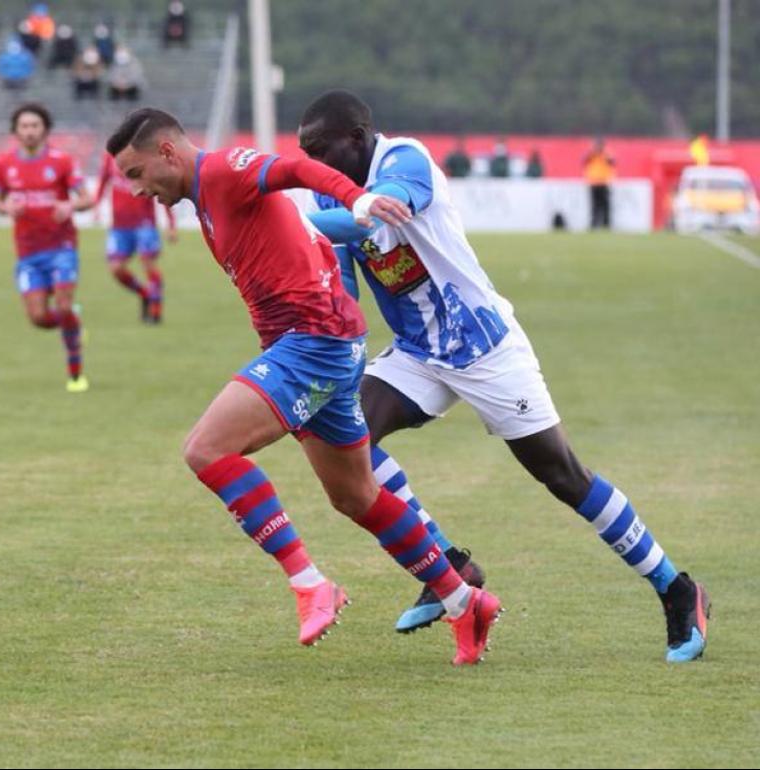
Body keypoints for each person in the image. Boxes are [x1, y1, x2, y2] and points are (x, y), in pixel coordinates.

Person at [296, 90, 709, 662]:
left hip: (484, 348)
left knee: (563, 475)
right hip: (419, 353)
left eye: (320, 151)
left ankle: (678, 589)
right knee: (346, 435)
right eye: (304, 155)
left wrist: (291, 220)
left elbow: (383, 205)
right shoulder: (323, 191)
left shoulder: (404, 160)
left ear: (358, 138)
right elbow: (341, 289)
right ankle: (449, 566)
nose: (313, 164)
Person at [106, 107, 502, 665]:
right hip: (325, 342)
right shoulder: (204, 199)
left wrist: (357, 199)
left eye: (136, 173)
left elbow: (296, 171)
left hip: (312, 342)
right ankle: (464, 600)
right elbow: (297, 229)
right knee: (356, 497)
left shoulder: (224, 171)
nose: (136, 189)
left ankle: (310, 583)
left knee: (206, 449)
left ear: (167, 152)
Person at [0, 103, 95, 392]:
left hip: (62, 246)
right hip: (27, 251)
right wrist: (6, 207)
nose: (29, 131)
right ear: (15, 131)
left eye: (34, 126)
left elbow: (87, 198)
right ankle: (73, 324)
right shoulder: (4, 164)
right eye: (24, 126)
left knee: (62, 306)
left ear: (45, 129)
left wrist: (70, 204)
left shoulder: (61, 161)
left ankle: (76, 376)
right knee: (38, 318)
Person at [95, 151, 177, 323]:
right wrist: (97, 205)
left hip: (144, 224)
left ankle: (156, 308)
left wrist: (171, 223)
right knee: (116, 269)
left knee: (148, 263)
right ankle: (145, 293)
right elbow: (103, 181)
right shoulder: (110, 156)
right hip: (119, 226)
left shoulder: (144, 154)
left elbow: (160, 189)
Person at [583, 137, 615, 229]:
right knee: (594, 206)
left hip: (604, 182)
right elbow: (584, 161)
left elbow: (612, 162)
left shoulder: (606, 154)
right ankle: (594, 224)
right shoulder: (591, 155)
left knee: (605, 205)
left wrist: (604, 154)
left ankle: (606, 224)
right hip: (594, 183)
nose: (598, 147)